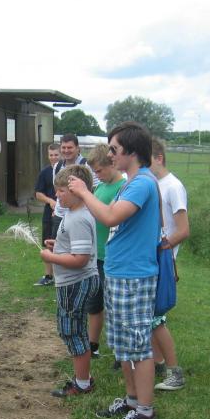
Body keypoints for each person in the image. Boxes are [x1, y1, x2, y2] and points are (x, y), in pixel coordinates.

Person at [67, 121, 161, 419]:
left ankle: (145, 410)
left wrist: (83, 191)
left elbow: (109, 216)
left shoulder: (142, 183)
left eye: (114, 149)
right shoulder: (130, 183)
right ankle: (132, 400)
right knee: (123, 345)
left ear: (131, 152)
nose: (110, 154)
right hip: (120, 273)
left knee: (138, 346)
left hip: (134, 276)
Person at [41, 164, 99, 397]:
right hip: (74, 282)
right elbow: (76, 248)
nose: (57, 195)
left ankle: (82, 383)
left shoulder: (78, 219)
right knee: (74, 330)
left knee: (73, 331)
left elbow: (81, 259)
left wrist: (51, 257)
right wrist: (58, 245)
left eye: (62, 191)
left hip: (76, 283)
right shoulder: (74, 214)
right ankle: (82, 378)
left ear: (76, 191)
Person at [149, 137, 189, 391]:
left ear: (159, 158)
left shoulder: (173, 186)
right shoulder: (154, 183)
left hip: (161, 259)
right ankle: (157, 363)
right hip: (152, 257)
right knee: (150, 316)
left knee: (157, 318)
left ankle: (175, 373)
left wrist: (161, 248)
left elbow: (183, 230)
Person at [85, 144, 126, 359]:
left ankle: (122, 352)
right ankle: (93, 345)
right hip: (96, 255)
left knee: (115, 307)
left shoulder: (123, 188)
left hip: (112, 257)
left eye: (99, 170)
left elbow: (110, 217)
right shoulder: (100, 187)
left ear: (112, 163)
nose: (97, 175)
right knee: (94, 303)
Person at [51, 134, 93, 240]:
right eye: (63, 147)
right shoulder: (57, 166)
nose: (66, 151)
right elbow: (56, 187)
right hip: (60, 215)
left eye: (70, 147)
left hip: (78, 214)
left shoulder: (87, 165)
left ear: (77, 148)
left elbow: (93, 190)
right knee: (58, 246)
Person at [33, 143, 61, 286]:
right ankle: (48, 276)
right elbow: (38, 194)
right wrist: (50, 201)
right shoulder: (44, 173)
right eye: (51, 155)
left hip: (64, 214)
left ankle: (62, 276)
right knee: (48, 243)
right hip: (48, 214)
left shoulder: (65, 170)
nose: (53, 157)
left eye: (56, 155)